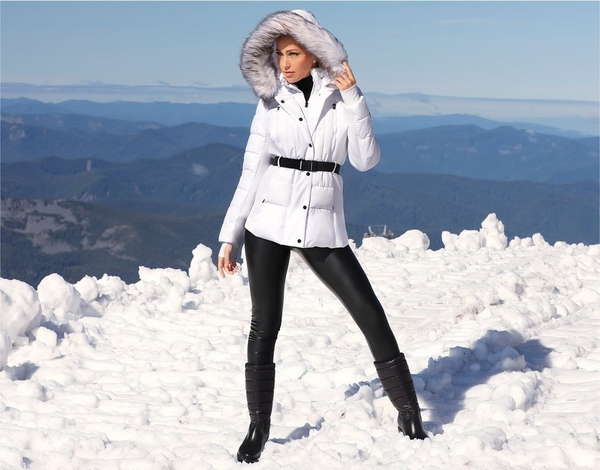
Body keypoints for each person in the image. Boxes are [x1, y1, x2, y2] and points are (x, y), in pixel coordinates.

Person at [216, 10, 428, 464]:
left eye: (293, 53)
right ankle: (258, 427)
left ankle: (409, 411)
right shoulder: (271, 100)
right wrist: (230, 235)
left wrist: (354, 97)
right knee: (264, 324)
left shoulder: (341, 98)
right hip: (267, 223)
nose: (284, 63)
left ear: (315, 53)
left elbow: (366, 160)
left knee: (369, 311)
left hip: (322, 226)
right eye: (279, 54)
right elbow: (252, 170)